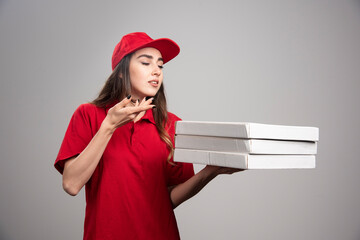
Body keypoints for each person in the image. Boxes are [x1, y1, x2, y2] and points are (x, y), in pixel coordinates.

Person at [54, 32, 241, 240]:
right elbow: (71, 185)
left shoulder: (172, 124)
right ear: (121, 72)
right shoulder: (88, 115)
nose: (156, 72)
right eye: (146, 63)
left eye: (160, 66)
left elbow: (168, 198)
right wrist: (108, 126)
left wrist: (209, 171)